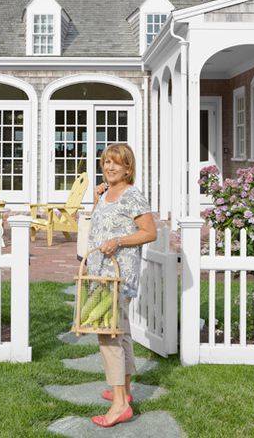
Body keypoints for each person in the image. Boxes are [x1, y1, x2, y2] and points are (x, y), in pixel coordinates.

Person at [87, 143, 157, 428]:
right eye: (106, 162)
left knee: (108, 334)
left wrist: (119, 241)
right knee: (122, 332)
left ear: (129, 168)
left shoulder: (132, 196)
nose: (110, 167)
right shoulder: (106, 193)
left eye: (116, 163)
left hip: (118, 275)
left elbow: (149, 232)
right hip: (100, 272)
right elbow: (98, 226)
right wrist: (96, 200)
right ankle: (124, 391)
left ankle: (119, 405)